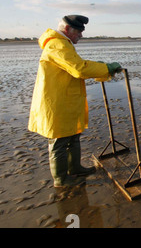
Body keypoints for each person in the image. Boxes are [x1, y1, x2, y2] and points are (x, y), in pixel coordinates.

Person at [28, 15, 122, 188]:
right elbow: (79, 68)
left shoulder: (63, 44)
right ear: (66, 29)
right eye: (78, 31)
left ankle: (75, 168)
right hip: (55, 102)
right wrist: (106, 68)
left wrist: (101, 68)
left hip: (66, 100)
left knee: (73, 135)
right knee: (59, 141)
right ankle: (61, 180)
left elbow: (77, 65)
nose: (81, 35)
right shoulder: (57, 45)